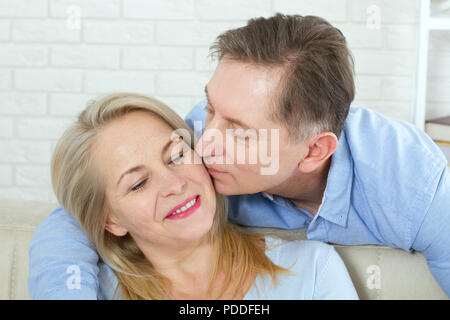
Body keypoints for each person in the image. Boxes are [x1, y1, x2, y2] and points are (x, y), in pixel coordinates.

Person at [29, 14, 450, 298]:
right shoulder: (194, 141)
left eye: (239, 132)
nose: (204, 144)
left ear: (314, 151)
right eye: (211, 108)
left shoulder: (414, 187)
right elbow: (80, 210)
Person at [40, 92, 358, 300]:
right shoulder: (90, 291)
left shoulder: (313, 269)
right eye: (138, 184)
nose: (175, 184)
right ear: (110, 220)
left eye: (177, 155)